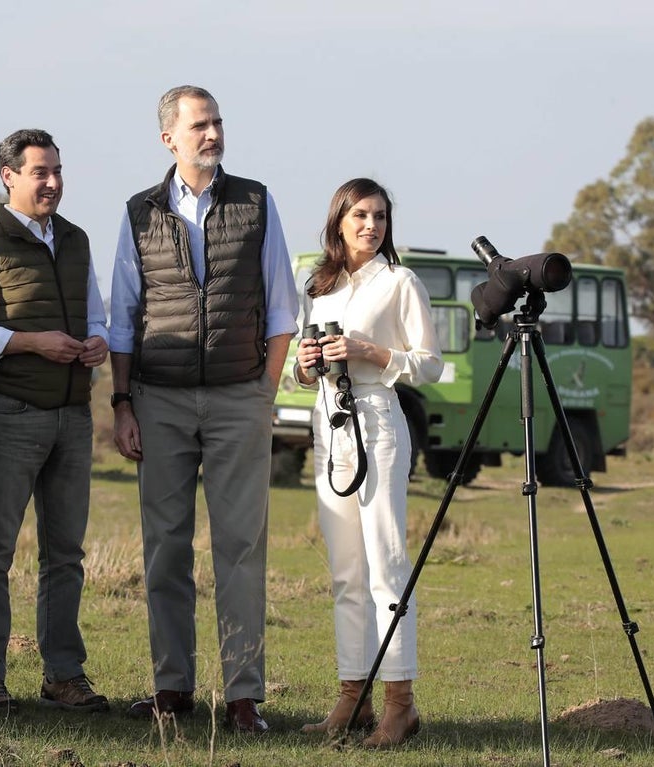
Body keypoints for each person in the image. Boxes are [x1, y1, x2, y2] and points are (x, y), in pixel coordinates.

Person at [110, 85, 298, 734]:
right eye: (200, 125)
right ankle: (172, 689)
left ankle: (245, 695)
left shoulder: (256, 201)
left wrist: (264, 393)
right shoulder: (139, 213)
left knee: (241, 548)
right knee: (165, 548)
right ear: (170, 137)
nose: (212, 133)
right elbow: (123, 319)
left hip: (238, 398)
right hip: (157, 401)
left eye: (217, 122)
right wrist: (122, 402)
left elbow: (281, 308)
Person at [0, 129, 109, 712]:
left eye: (58, 171)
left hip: (74, 416)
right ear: (9, 176)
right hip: (12, 412)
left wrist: (97, 342)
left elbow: (97, 313)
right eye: (40, 172)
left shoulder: (76, 239)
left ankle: (64, 676)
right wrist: (32, 342)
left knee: (66, 555)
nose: (53, 183)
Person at [294, 178, 443, 747]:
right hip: (328, 423)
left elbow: (430, 366)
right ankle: (350, 700)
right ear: (339, 220)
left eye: (380, 216)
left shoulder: (401, 282)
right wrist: (306, 363)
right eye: (360, 214)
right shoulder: (320, 285)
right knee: (345, 573)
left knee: (386, 564)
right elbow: (301, 373)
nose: (371, 225)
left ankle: (399, 703)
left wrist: (369, 352)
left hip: (379, 422)